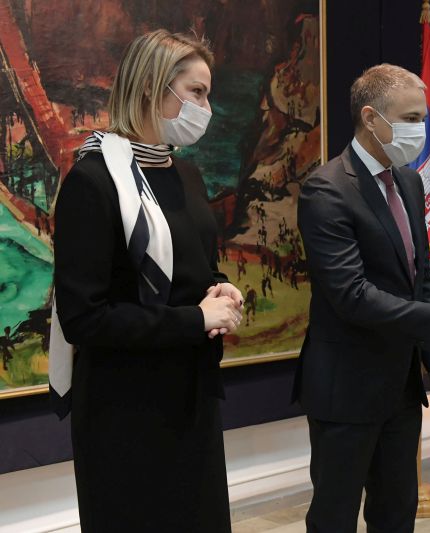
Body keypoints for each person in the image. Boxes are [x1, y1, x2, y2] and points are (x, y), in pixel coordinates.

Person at [53, 29, 242, 533]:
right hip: (125, 413)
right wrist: (194, 319)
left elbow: (193, 270)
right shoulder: (92, 182)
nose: (206, 108)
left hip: (192, 397)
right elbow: (83, 318)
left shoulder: (187, 176)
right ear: (150, 88)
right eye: (197, 92)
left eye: (208, 93)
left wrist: (221, 288)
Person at [295, 63, 430, 532]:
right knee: (334, 518)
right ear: (371, 118)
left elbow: (419, 279)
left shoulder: (409, 181)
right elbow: (351, 295)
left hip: (401, 388)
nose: (419, 129)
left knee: (396, 514)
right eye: (410, 118)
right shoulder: (326, 189)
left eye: (422, 118)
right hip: (345, 389)